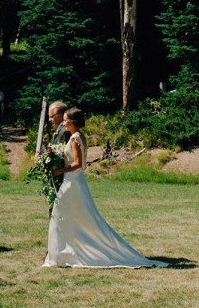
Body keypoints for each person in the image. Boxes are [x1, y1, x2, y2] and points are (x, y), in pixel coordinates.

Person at [43, 107, 167, 268]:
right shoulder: (80, 136)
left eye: (66, 120)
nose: (64, 123)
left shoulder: (75, 138)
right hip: (74, 180)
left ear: (72, 122)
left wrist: (59, 170)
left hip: (72, 181)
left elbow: (78, 164)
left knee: (60, 214)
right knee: (70, 215)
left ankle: (62, 254)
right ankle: (67, 252)